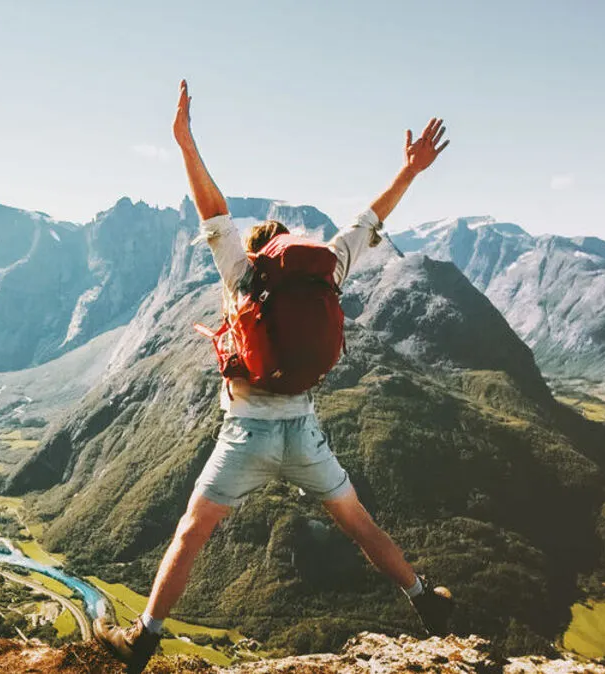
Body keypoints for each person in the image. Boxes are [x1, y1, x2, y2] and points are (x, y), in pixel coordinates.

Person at [94, 80, 453, 673]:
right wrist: (410, 170)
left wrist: (185, 142)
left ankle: (142, 641)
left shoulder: (242, 272)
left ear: (260, 250)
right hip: (303, 432)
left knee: (191, 532)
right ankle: (425, 601)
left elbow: (212, 207)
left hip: (246, 435)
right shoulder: (327, 266)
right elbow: (372, 218)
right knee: (360, 524)